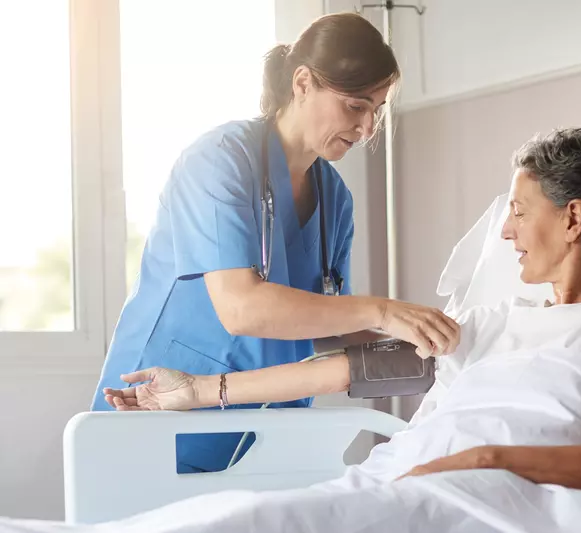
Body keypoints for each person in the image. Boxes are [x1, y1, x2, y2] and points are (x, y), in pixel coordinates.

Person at [103, 127, 581, 507]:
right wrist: (199, 392)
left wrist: (486, 459)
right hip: (390, 487)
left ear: (574, 220)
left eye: (519, 210)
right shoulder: (492, 321)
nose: (506, 229)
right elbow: (345, 371)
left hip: (480, 498)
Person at [90, 12, 460, 475]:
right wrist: (384, 310)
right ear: (302, 83)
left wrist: (421, 340)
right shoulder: (220, 161)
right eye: (355, 106)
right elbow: (241, 308)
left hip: (266, 432)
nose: (367, 129)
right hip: (157, 412)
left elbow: (329, 324)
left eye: (376, 110)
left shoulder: (335, 199)